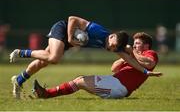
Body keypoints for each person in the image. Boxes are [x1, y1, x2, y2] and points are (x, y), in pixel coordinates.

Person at [9, 16, 157, 99]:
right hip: (63, 29)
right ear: (111, 36)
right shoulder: (98, 31)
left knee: (43, 61)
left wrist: (145, 72)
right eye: (112, 45)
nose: (111, 49)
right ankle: (21, 52)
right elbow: (72, 18)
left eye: (114, 48)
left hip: (70, 40)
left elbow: (130, 60)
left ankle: (19, 80)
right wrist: (70, 38)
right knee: (53, 58)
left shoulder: (114, 45)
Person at [32, 32, 162, 99]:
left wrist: (131, 53)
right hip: (114, 83)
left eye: (138, 43)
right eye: (134, 43)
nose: (134, 45)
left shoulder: (151, 53)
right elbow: (114, 68)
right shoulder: (132, 57)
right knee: (79, 79)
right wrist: (126, 59)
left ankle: (46, 94)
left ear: (146, 46)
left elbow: (149, 63)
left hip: (119, 88)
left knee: (80, 81)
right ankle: (46, 93)